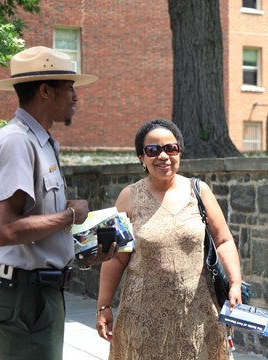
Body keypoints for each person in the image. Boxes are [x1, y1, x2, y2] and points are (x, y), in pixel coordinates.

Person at [0, 46, 116, 359]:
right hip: (26, 296)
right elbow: (3, 230)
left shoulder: (40, 142)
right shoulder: (17, 141)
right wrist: (70, 215)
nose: (75, 97)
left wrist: (81, 251)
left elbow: (36, 228)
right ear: (45, 91)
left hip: (41, 292)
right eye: (69, 89)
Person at [96, 119, 243, 359]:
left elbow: (223, 240)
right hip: (142, 320)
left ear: (180, 152)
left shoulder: (199, 191)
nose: (162, 156)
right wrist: (103, 306)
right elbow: (115, 259)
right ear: (141, 158)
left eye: (170, 148)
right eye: (152, 150)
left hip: (199, 318)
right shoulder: (128, 198)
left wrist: (235, 284)